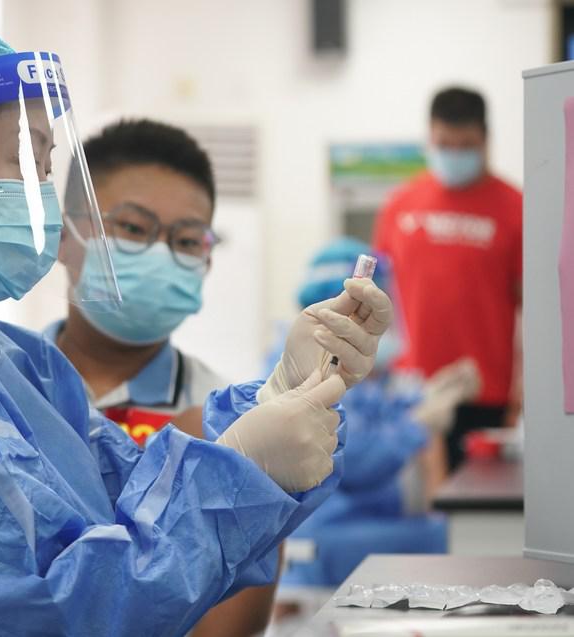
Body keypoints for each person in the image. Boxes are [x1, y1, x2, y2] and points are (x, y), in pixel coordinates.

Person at [0, 14, 392, 636]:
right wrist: (241, 464)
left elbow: (125, 486)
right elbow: (49, 611)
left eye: (47, 167)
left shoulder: (2, 358)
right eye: (23, 161)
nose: (43, 197)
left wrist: (280, 393)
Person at [46, 119, 275, 637]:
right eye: (132, 228)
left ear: (207, 261)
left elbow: (230, 624)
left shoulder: (231, 425)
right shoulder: (0, 388)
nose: (160, 255)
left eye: (187, 240)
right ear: (63, 237)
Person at [274, 238, 480, 594]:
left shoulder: (342, 360)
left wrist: (431, 394)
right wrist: (419, 424)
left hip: (356, 523)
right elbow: (354, 460)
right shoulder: (309, 364)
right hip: (324, 539)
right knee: (457, 537)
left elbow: (374, 414)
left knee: (457, 532)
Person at [373, 86, 522, 472]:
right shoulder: (400, 205)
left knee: (480, 504)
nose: (454, 154)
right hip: (412, 391)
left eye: (465, 145)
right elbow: (376, 296)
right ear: (430, 138)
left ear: (485, 140)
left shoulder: (516, 208)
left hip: (487, 394)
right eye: (444, 144)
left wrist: (523, 393)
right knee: (421, 502)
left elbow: (535, 311)